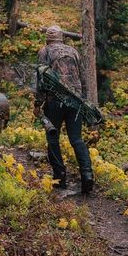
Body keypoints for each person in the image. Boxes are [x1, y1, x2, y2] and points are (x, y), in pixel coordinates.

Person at [33, 25, 94, 194]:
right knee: (76, 139)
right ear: (61, 38)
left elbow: (42, 80)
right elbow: (83, 78)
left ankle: (60, 177)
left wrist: (38, 104)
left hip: (55, 102)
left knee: (53, 138)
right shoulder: (74, 51)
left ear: (48, 38)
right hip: (76, 101)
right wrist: (84, 100)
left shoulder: (44, 52)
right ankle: (87, 175)